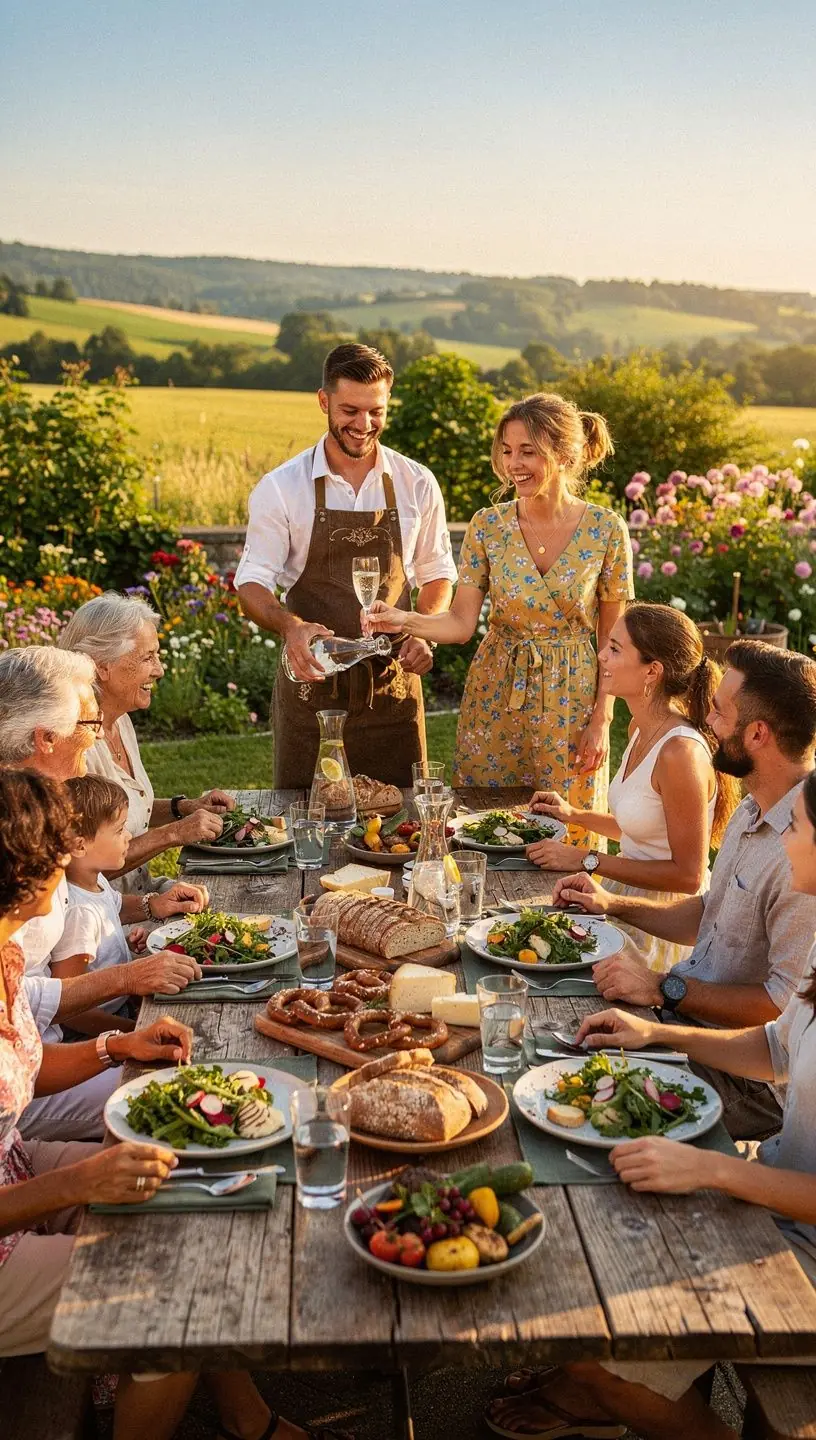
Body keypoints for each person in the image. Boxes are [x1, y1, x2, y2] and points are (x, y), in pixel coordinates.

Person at [0, 770, 352, 1440]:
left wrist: (116, 1045)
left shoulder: (7, 960)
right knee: (181, 1289)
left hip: (16, 1166)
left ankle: (247, 1419)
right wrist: (78, 1180)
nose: (66, 859)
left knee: (193, 1194)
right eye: (56, 849)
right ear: (28, 871)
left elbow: (20, 1071)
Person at [485, 767, 816, 1440]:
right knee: (580, 1253)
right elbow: (779, 1051)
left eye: (800, 828)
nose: (786, 840)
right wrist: (655, 1031)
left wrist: (714, 1171)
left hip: (800, 1261)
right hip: (772, 1199)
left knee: (589, 1345)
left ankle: (609, 1396)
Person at [550, 639, 816, 1140]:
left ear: (758, 733)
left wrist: (663, 989)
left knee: (581, 1102)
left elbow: (781, 1009)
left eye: (719, 713)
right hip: (684, 1017)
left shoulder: (806, 850)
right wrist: (611, 904)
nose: (708, 724)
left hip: (748, 1079)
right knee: (555, 1024)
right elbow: (712, 913)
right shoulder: (754, 805)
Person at [367, 393, 633, 837]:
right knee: (483, 825)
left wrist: (602, 718)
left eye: (528, 451)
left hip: (571, 695)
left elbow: (613, 641)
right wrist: (402, 619)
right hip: (496, 690)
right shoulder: (487, 526)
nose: (514, 463)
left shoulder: (606, 530)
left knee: (565, 826)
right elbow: (460, 624)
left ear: (564, 454)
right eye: (508, 451)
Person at [0, 647, 205, 1141]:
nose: (98, 732)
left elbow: (86, 904)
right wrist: (124, 987)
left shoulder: (39, 809)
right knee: (191, 1098)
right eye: (90, 720)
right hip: (21, 1087)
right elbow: (18, 1003)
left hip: (47, 1051)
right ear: (45, 738)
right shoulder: (14, 833)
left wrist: (148, 908)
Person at [235, 342, 457, 787]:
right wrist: (291, 627)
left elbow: (437, 574)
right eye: (350, 410)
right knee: (308, 828)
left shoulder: (416, 482)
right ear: (324, 402)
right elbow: (251, 585)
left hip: (392, 689)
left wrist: (422, 628)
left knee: (400, 831)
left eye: (376, 411)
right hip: (312, 692)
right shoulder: (282, 487)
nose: (363, 424)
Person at [526, 602, 739, 971]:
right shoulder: (640, 728)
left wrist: (586, 859)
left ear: (652, 671)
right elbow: (640, 828)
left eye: (614, 649)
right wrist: (574, 815)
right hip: (624, 897)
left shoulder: (679, 754)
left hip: (664, 923)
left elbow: (687, 877)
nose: (601, 657)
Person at [60, 592, 234, 900]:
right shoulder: (75, 745)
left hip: (146, 896)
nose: (160, 669)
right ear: (103, 667)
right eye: (147, 657)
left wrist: (183, 808)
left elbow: (119, 814)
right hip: (108, 917)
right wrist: (173, 834)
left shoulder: (120, 721)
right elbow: (84, 865)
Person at [50, 775, 210, 1033]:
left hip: (122, 1005)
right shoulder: (80, 914)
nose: (128, 837)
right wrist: (133, 1030)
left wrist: (151, 910)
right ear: (80, 846)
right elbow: (68, 1010)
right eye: (119, 830)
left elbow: (113, 907)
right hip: (97, 1030)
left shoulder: (94, 879)